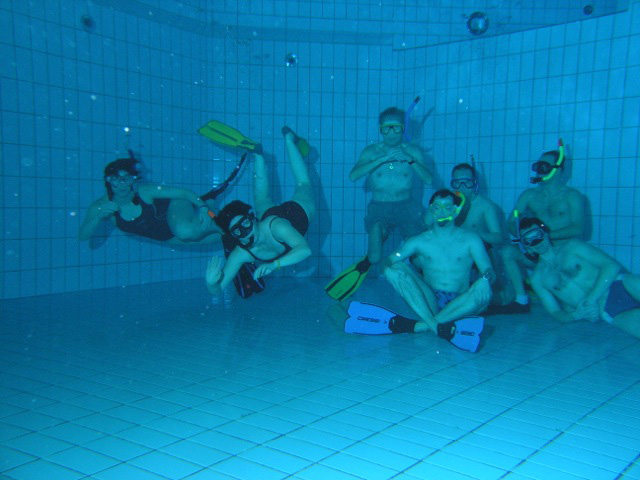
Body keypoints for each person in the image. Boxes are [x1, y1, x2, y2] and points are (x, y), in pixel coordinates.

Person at [325, 107, 433, 300]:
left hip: (408, 207)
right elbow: (353, 175)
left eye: (396, 128)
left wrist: (409, 159)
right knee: (375, 256)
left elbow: (429, 179)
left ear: (403, 128)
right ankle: (367, 263)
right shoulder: (371, 152)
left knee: (418, 256)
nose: (391, 133)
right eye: (386, 128)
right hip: (379, 207)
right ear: (380, 129)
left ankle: (428, 287)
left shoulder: (413, 151)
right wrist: (382, 159)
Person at [205, 127, 315, 294]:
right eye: (238, 231)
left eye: (246, 224)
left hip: (295, 216)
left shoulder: (277, 227)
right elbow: (218, 289)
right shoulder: (241, 253)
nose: (246, 232)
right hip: (267, 220)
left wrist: (274, 265)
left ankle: (288, 139)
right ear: (235, 236)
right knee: (262, 200)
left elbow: (305, 250)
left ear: (252, 219)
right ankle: (257, 154)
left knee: (303, 183)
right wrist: (211, 284)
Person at [382, 189, 494, 334]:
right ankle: (435, 325)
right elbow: (388, 260)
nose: (442, 212)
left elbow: (489, 271)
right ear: (431, 210)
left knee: (485, 292)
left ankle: (421, 326)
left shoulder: (471, 240)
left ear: (456, 211)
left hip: (461, 301)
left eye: (447, 207)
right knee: (397, 266)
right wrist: (387, 270)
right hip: (430, 301)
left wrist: (485, 279)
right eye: (436, 207)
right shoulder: (419, 241)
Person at [495, 145, 586, 312]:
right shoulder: (529, 195)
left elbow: (578, 228)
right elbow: (511, 222)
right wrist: (526, 240)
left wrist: (545, 237)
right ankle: (521, 299)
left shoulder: (572, 196)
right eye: (538, 166)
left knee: (570, 307)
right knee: (507, 252)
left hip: (562, 253)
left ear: (558, 170)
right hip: (537, 253)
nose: (539, 170)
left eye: (545, 166)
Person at [519, 218, 640, 339]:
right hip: (606, 308)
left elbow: (612, 266)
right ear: (526, 246)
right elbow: (555, 312)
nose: (536, 242)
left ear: (545, 233)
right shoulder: (537, 278)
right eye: (528, 240)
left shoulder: (572, 247)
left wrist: (590, 301)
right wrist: (576, 315)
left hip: (620, 284)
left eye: (537, 235)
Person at [78, 155, 232, 244]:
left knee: (186, 232)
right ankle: (215, 212)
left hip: (177, 206)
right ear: (107, 181)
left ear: (133, 180)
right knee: (226, 237)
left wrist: (204, 209)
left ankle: (211, 210)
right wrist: (98, 217)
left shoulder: (144, 191)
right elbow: (83, 237)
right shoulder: (100, 206)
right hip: (167, 236)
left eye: (127, 178)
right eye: (116, 180)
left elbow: (184, 193)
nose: (122, 184)